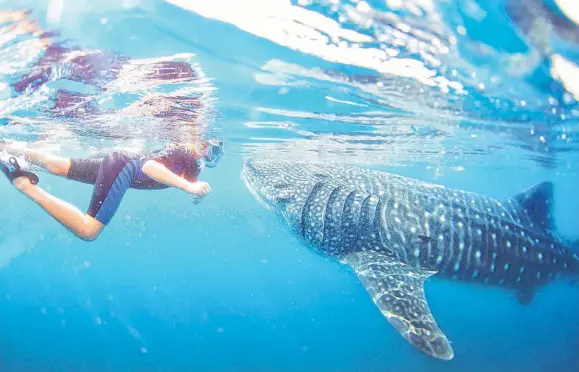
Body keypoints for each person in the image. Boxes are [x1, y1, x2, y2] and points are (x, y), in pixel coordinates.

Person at [0, 139, 224, 241]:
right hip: (123, 167)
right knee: (88, 231)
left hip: (119, 162)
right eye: (206, 146)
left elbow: (189, 176)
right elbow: (148, 166)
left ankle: (7, 147)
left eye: (213, 152)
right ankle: (21, 182)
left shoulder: (191, 163)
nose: (206, 152)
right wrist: (188, 186)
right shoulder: (182, 152)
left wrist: (194, 189)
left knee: (57, 166)